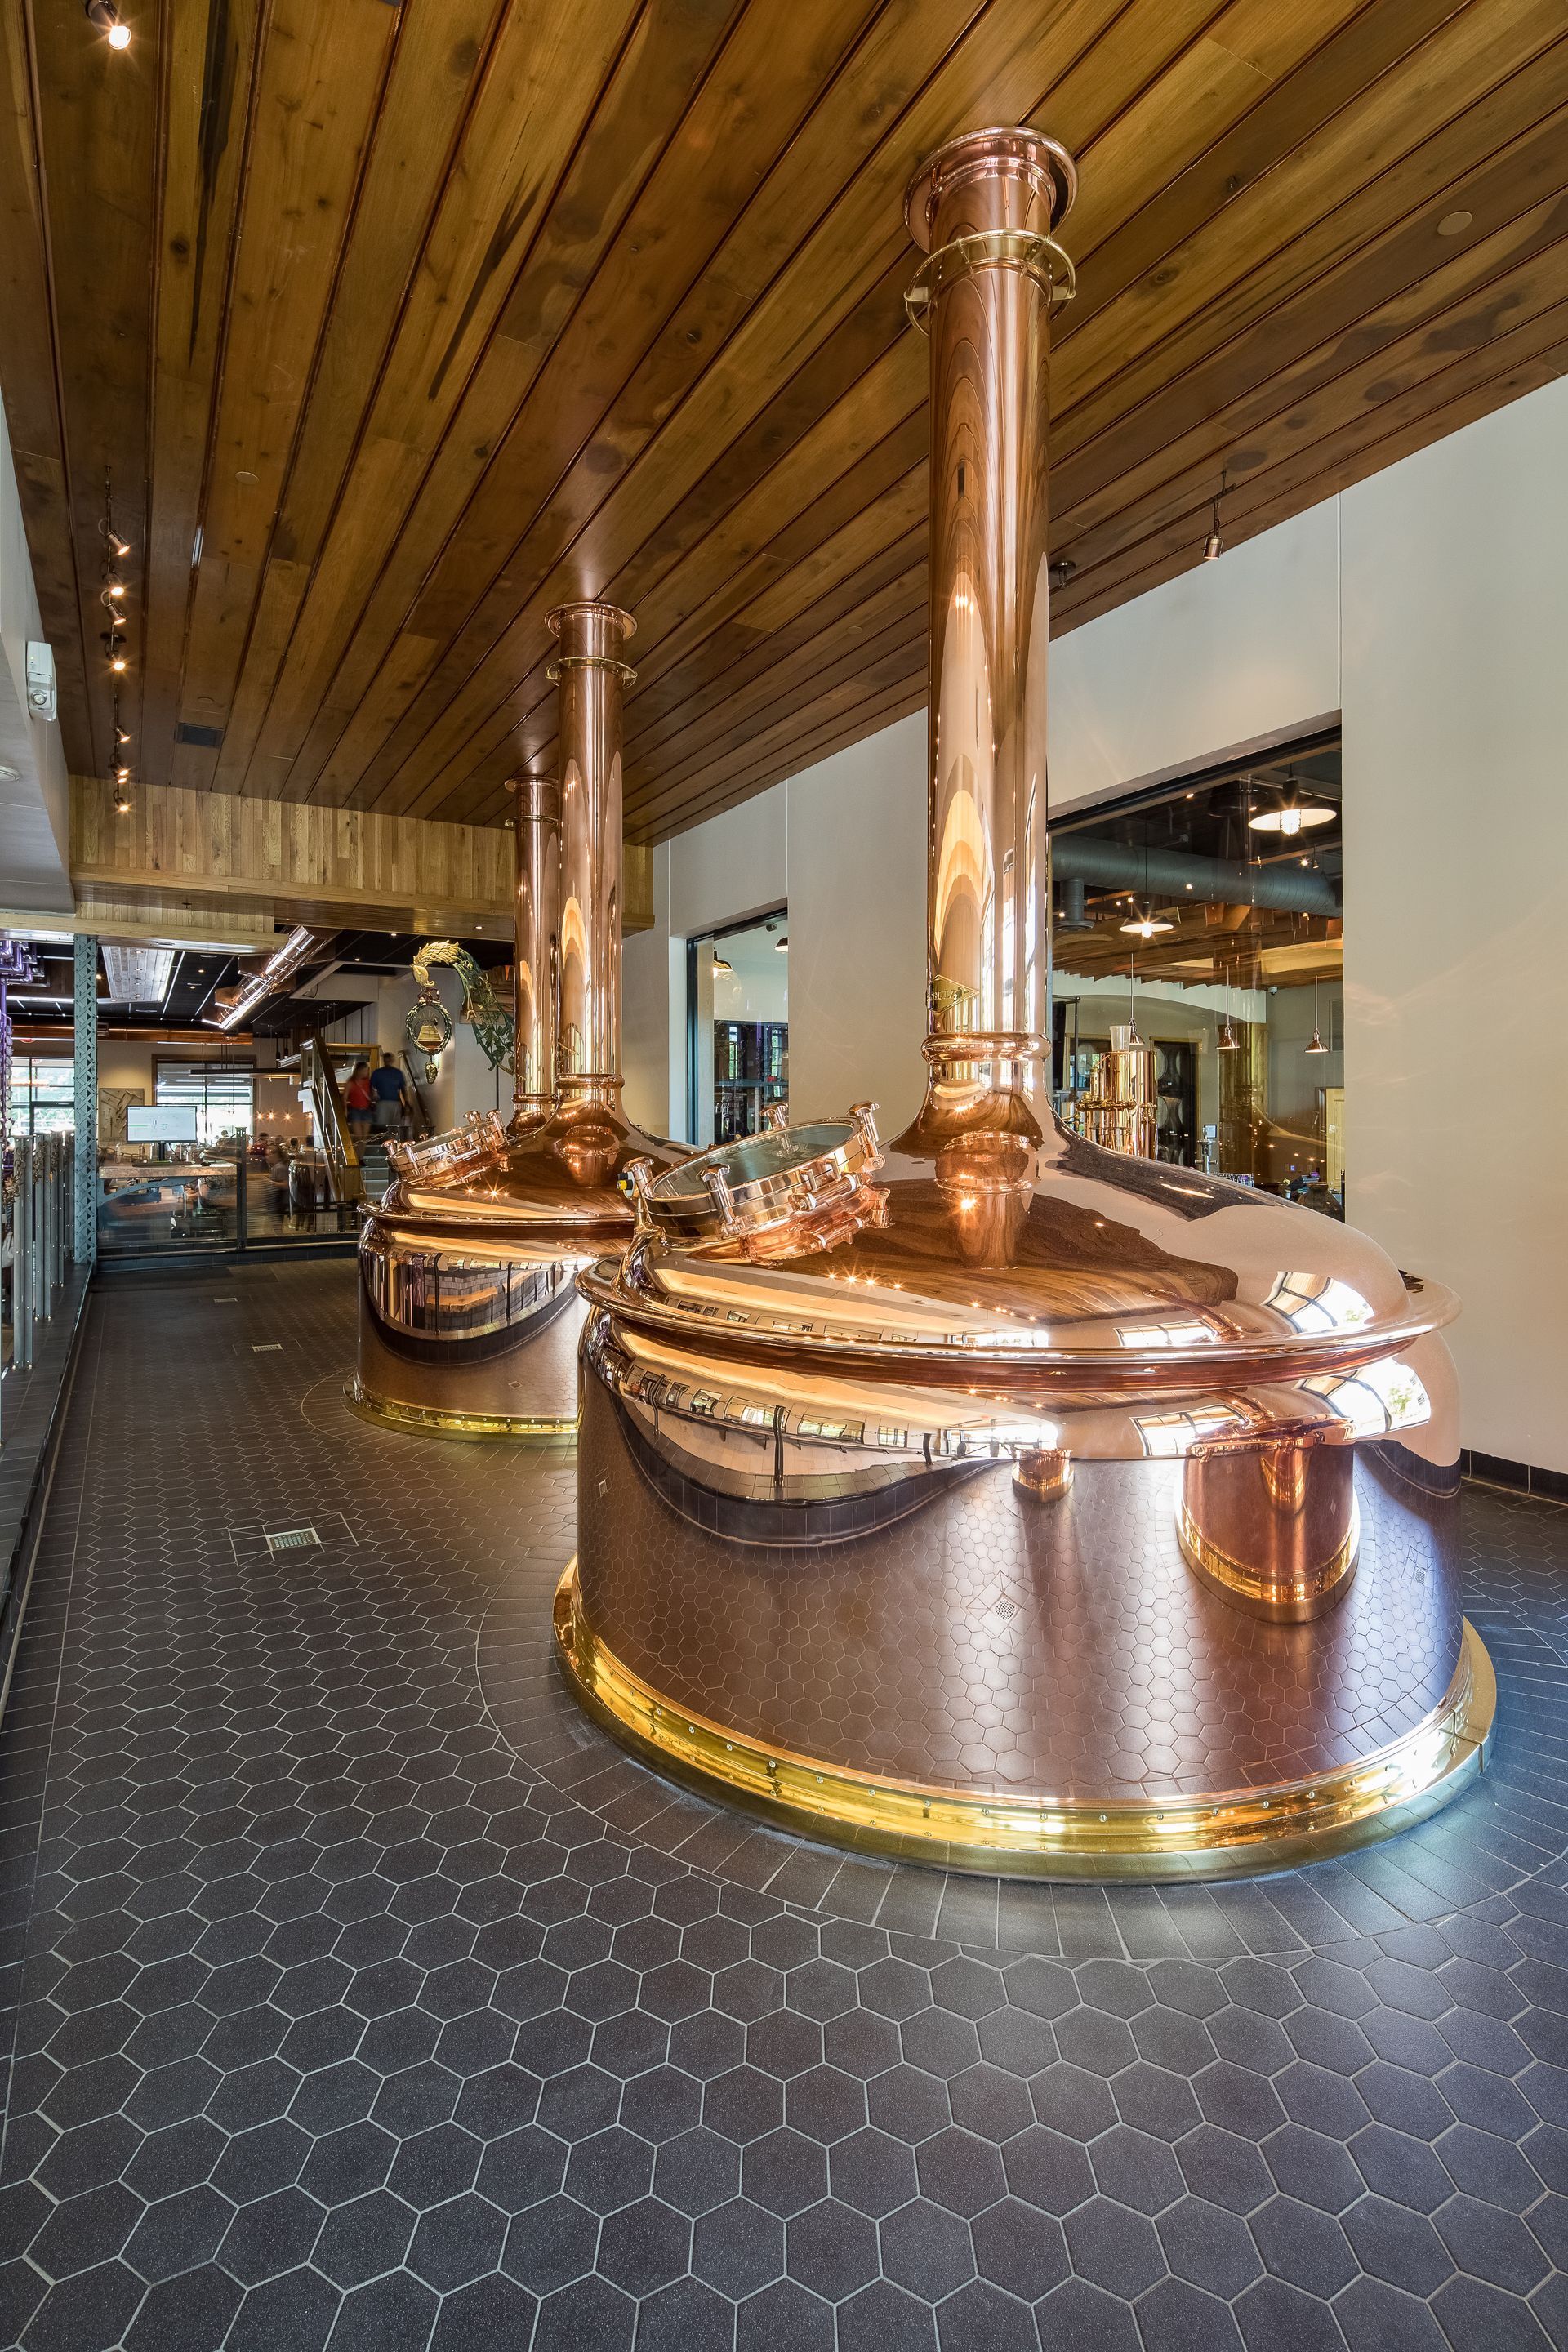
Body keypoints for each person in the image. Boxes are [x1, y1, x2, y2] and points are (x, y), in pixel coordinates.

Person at [369, 1052, 409, 1139]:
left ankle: (394, 1144)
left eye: (389, 1059)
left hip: (395, 1102)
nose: (387, 1061)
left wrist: (406, 1104)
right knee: (383, 1126)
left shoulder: (398, 1073)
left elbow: (403, 1088)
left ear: (391, 1060)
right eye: (385, 1060)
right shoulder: (377, 1073)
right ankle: (383, 1145)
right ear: (384, 1060)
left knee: (395, 1126)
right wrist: (373, 1098)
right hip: (382, 1102)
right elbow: (371, 1087)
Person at [345, 1059, 372, 1148]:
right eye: (364, 1070)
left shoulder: (368, 1081)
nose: (366, 1072)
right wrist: (345, 1110)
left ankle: (360, 1157)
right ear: (359, 1071)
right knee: (359, 1137)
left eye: (367, 1070)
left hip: (366, 1110)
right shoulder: (351, 1082)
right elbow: (345, 1097)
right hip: (355, 1110)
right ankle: (358, 1157)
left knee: (365, 1138)